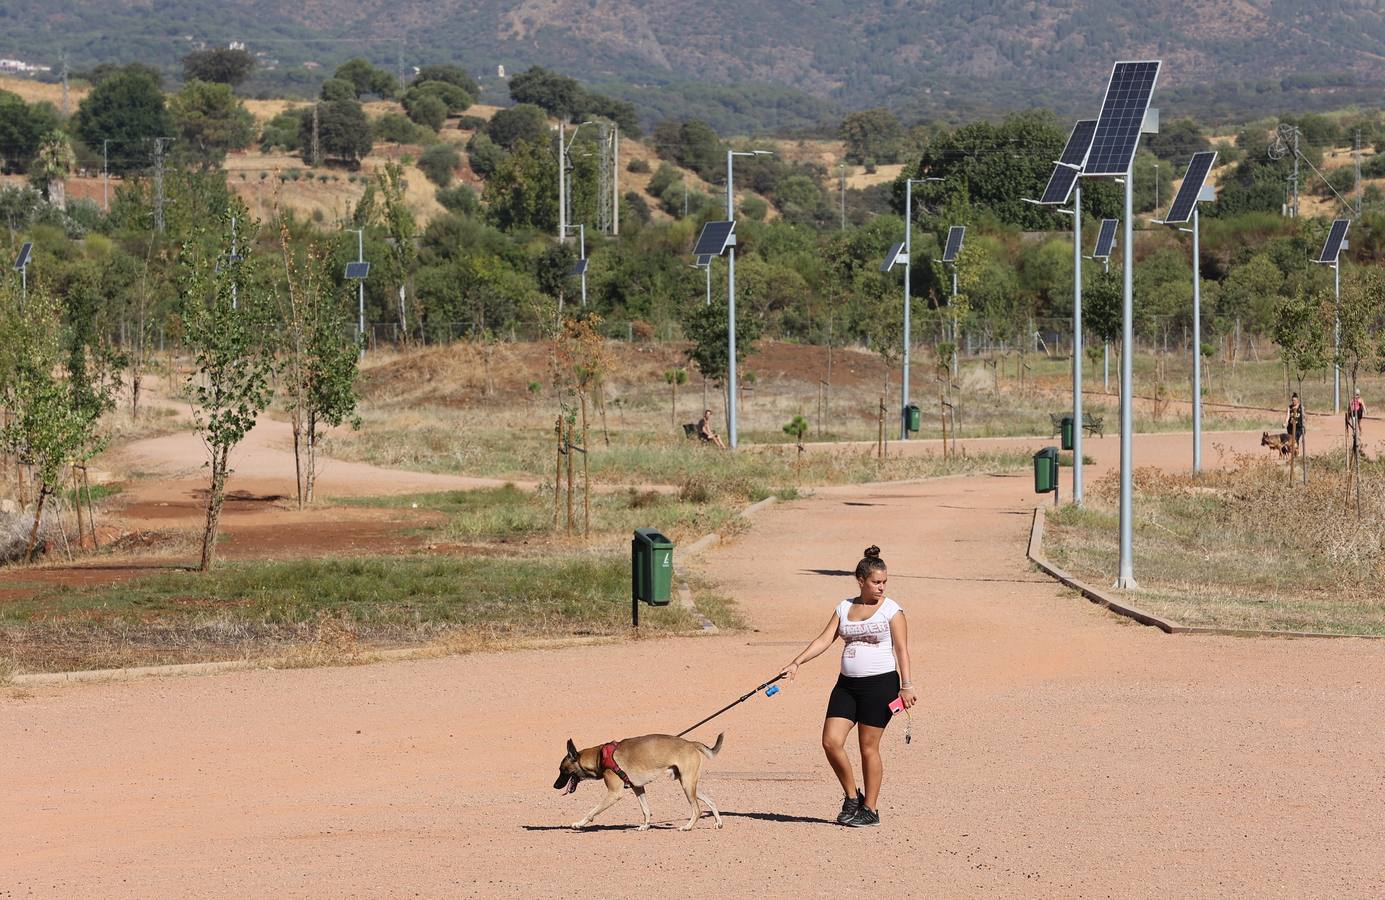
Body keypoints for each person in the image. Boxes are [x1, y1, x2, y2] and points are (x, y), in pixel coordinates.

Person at [781, 546, 916, 828]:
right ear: (861, 580)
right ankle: (852, 796)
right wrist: (796, 662)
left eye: (884, 582)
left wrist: (907, 686)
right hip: (847, 685)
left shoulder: (892, 610)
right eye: (876, 582)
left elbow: (902, 649)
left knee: (868, 747)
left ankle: (871, 809)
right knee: (830, 741)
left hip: (880, 685)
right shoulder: (844, 607)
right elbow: (823, 639)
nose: (881, 587)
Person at [1348, 388, 1366, 453]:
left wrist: (1365, 411)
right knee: (1353, 423)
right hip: (1353, 413)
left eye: (1357, 394)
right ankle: (1354, 432)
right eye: (1356, 394)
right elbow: (1349, 407)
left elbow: (1363, 406)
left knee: (1359, 424)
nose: (1356, 396)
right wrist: (1349, 415)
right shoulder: (1352, 400)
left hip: (1358, 413)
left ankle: (1361, 431)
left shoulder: (1360, 400)